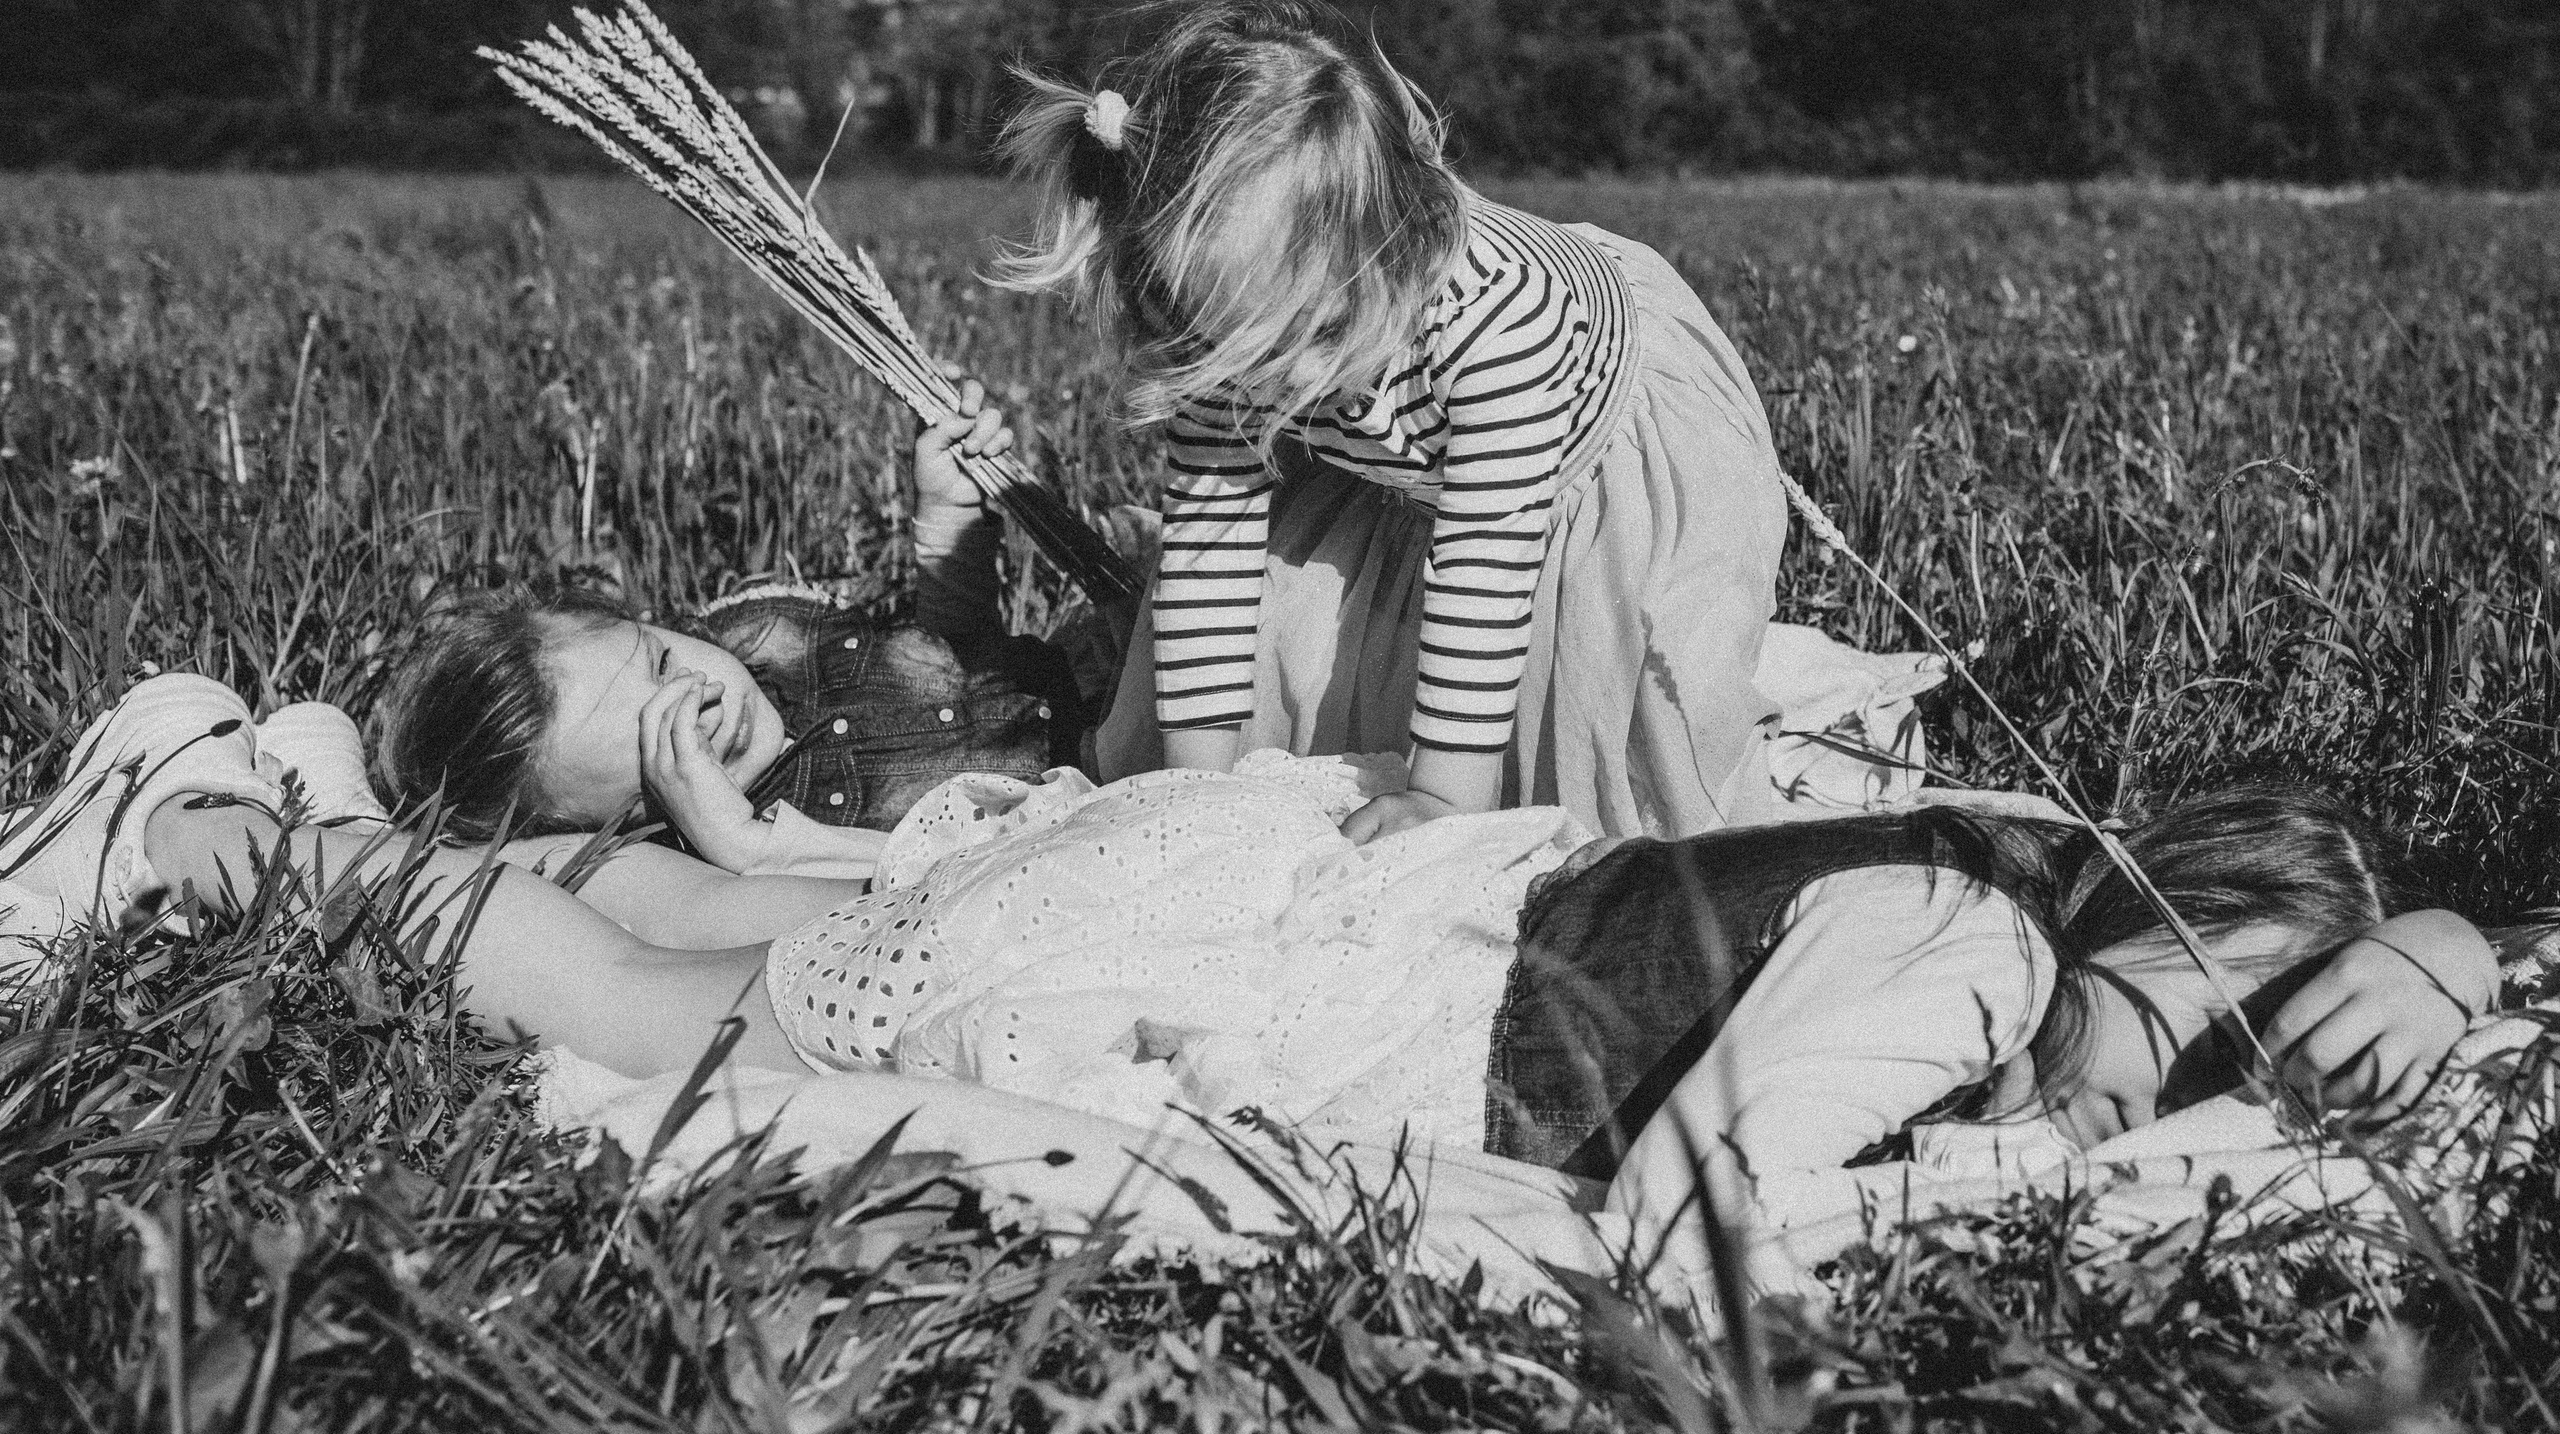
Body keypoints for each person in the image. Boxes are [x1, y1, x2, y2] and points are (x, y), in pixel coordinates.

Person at [14, 677, 2498, 1301]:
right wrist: (2043, 1142)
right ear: (2144, 919)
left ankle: (319, 810)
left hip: (1272, 875)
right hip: (1343, 986)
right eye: (2203, 1014)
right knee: (701, 1039)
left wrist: (2436, 939)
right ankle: (288, 851)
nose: (2183, 1062)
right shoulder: (1964, 946)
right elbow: (1693, 1215)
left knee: (770, 938)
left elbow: (2442, 952)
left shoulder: (1976, 879)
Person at [998, 0, 1791, 846]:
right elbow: (1205, 555)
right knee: (1285, 652)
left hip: (1602, 448)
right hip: (1414, 462)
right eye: (1257, 353)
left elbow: (1485, 564)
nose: (1288, 381)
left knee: (1623, 722)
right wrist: (1193, 792)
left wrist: (1442, 802)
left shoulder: (1498, 330)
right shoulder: (1231, 331)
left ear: (1389, 246)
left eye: (1320, 333)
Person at [378, 386, 1141, 873]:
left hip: (1090, 668)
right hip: (1113, 795)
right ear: (603, 828)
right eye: (665, 740)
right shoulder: (737, 857)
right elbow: (973, 877)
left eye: (662, 659)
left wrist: (948, 519)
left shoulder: (762, 631)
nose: (704, 697)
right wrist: (756, 847)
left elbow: (946, 658)